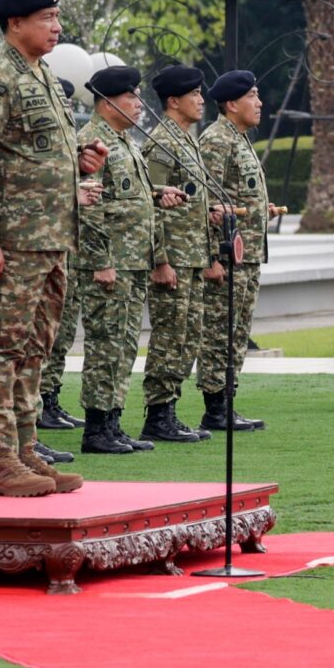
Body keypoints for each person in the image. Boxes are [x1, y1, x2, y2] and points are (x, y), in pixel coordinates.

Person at [0, 0, 109, 498]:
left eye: (56, 17)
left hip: (52, 238)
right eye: (47, 18)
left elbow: (38, 152)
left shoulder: (43, 74)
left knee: (35, 349)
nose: (57, 27)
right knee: (2, 347)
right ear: (15, 23)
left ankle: (25, 449)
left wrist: (81, 162)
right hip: (16, 240)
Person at [74, 64, 158, 454]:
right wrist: (100, 260)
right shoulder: (93, 141)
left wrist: (159, 195)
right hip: (111, 262)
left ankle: (113, 421)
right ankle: (96, 428)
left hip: (132, 260)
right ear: (108, 102)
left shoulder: (125, 141)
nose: (139, 104)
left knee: (124, 345)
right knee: (105, 343)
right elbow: (89, 208)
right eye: (131, 96)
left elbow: (128, 201)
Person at [197, 69, 286, 431]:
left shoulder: (238, 137)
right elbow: (206, 203)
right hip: (228, 256)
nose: (259, 102)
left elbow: (234, 194)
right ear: (232, 104)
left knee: (236, 333)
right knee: (220, 333)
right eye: (252, 96)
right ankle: (215, 408)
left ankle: (227, 403)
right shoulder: (217, 139)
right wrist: (213, 257)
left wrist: (259, 208)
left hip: (246, 254)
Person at [138, 64, 216, 446]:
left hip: (193, 255)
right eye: (194, 94)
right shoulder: (162, 142)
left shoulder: (186, 139)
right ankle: (158, 413)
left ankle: (169, 409)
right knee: (170, 335)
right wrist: (160, 260)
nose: (201, 100)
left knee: (188, 336)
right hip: (174, 256)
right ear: (173, 101)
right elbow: (151, 203)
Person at [36, 75, 86, 435]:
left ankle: (46, 402)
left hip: (61, 250)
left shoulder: (68, 145)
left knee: (55, 337)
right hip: (31, 248)